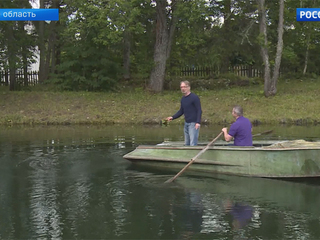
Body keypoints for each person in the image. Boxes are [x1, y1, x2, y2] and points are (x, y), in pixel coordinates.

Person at [166, 81, 202, 146]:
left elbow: (199, 110)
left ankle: (193, 154)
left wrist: (198, 122)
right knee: (187, 143)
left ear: (189, 87)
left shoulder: (194, 97)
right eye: (181, 87)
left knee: (193, 143)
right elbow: (181, 111)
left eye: (184, 87)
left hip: (193, 124)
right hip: (186, 123)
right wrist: (173, 117)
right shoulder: (183, 99)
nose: (183, 89)